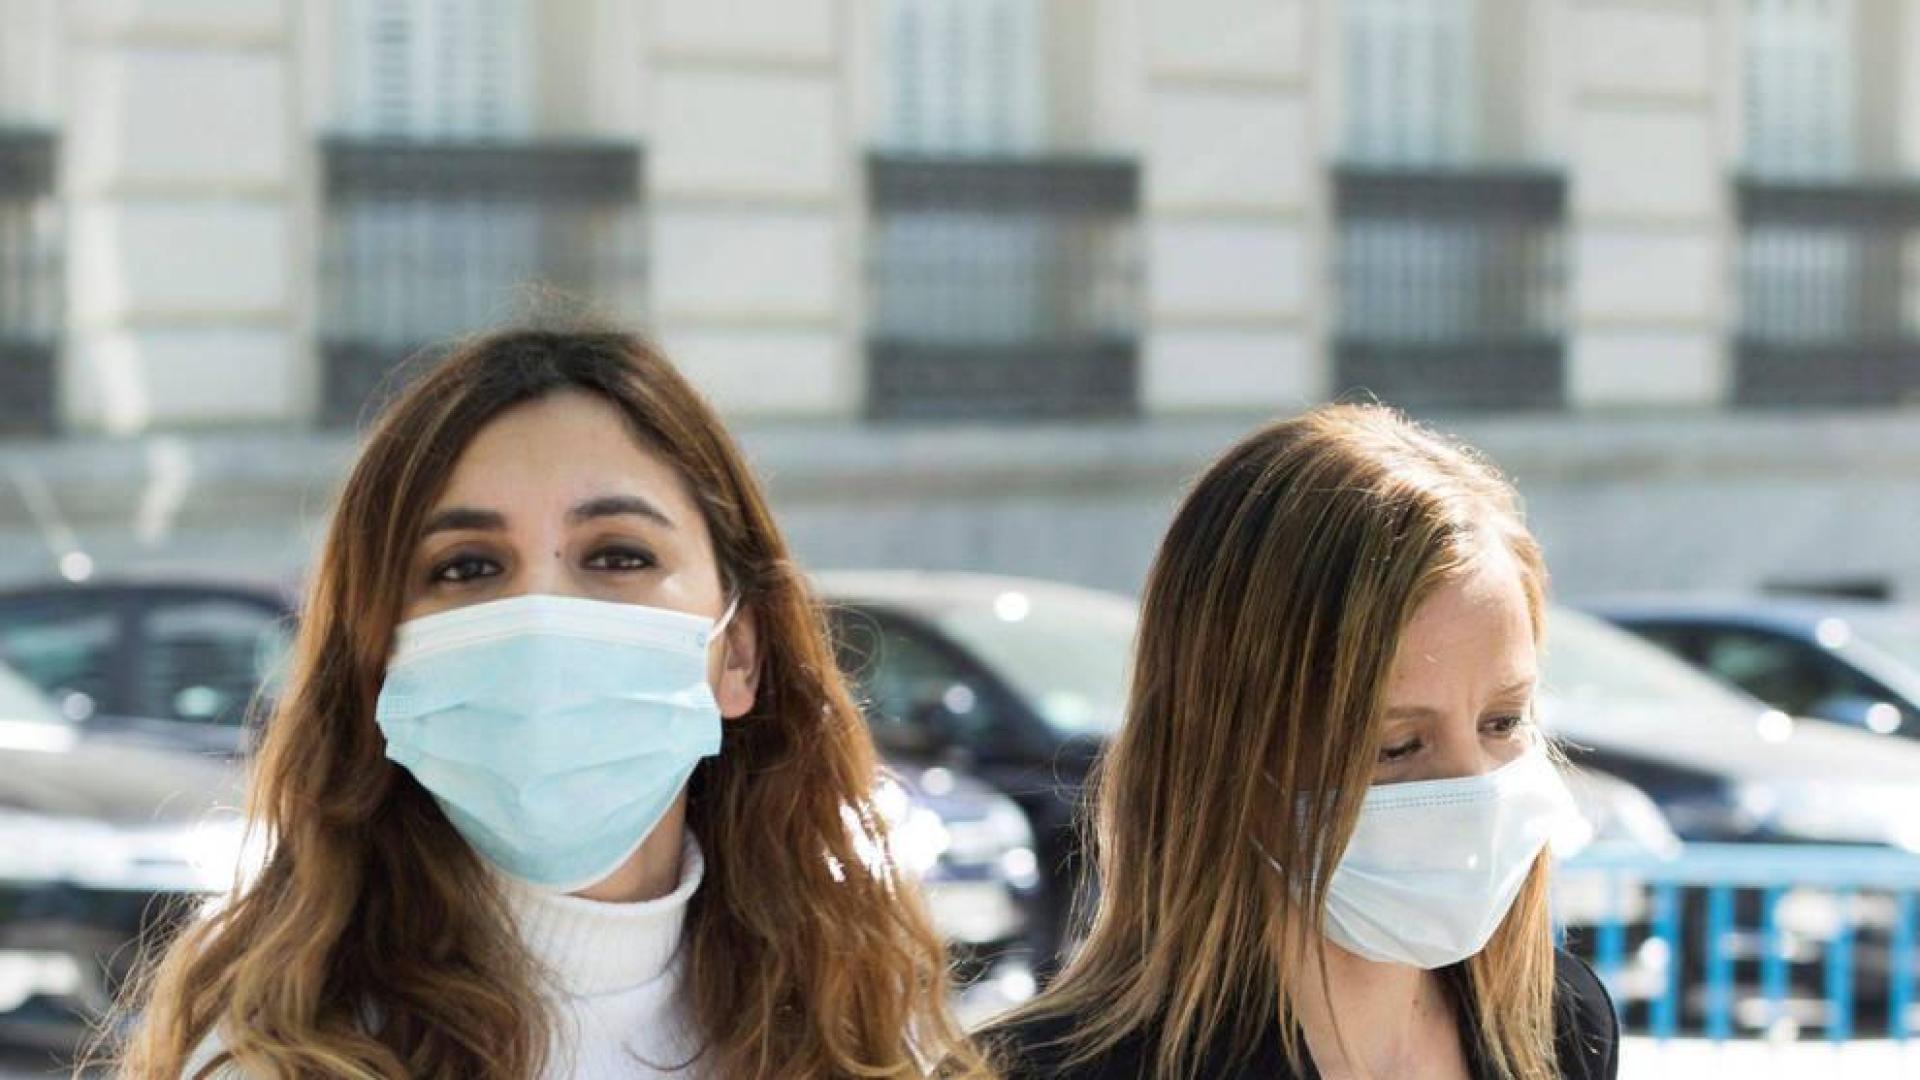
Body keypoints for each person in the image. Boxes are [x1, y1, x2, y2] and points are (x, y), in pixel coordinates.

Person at [112, 328, 990, 1079]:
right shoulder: (280, 1056)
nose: (540, 615)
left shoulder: (868, 1033)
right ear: (380, 666)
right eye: (466, 568)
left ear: (741, 655)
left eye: (617, 555)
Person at [983, 403, 1618, 1079]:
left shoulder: (1560, 1027)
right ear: (1229, 750)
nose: (1473, 787)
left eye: (1503, 721)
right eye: (1395, 746)